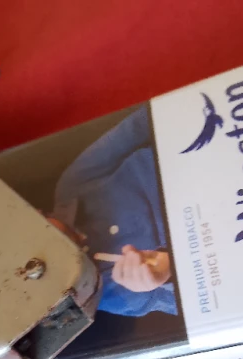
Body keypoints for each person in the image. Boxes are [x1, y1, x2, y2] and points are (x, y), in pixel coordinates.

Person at [51, 106, 178, 317]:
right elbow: (192, 306)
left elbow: (142, 124)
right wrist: (169, 272)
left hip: (193, 153)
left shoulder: (73, 184)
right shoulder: (104, 294)